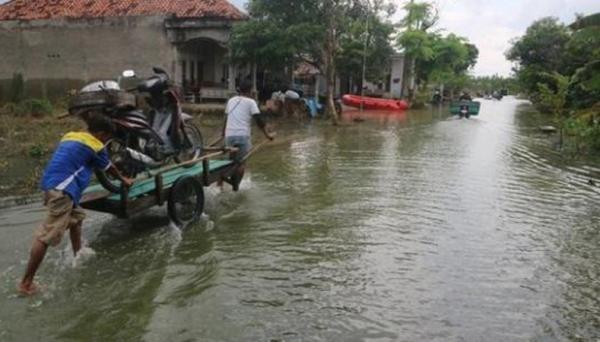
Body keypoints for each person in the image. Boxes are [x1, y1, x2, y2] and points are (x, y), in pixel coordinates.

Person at [18, 115, 133, 296]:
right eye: (106, 137)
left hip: (52, 185)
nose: (106, 141)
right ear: (101, 133)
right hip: (63, 190)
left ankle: (77, 253)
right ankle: (26, 284)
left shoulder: (71, 136)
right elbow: (109, 167)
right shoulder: (95, 145)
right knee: (46, 236)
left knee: (76, 218)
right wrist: (124, 179)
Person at [222, 80, 274, 188]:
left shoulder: (231, 100)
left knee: (232, 161)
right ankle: (235, 186)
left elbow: (226, 119)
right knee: (241, 163)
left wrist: (223, 134)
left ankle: (224, 180)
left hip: (229, 136)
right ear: (250, 91)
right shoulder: (251, 102)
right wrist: (267, 135)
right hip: (242, 136)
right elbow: (259, 121)